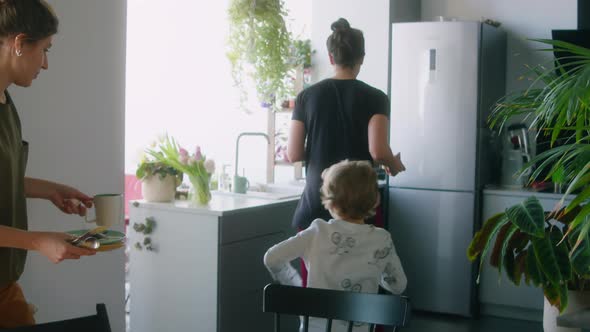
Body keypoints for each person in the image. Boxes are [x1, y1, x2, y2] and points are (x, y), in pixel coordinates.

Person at [0, 0, 96, 328]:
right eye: (45, 50)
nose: (45, 65)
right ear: (18, 44)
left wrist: (52, 190)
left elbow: (5, 178)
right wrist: (39, 241)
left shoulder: (6, 102)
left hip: (4, 286)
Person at [288, 17, 405, 232]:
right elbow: (378, 151)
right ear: (361, 57)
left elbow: (293, 154)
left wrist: (321, 150)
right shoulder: (376, 98)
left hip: (317, 205)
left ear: (331, 58)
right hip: (359, 207)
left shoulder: (306, 96)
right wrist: (394, 164)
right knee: (362, 265)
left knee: (316, 266)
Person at [264, 160, 407, 332]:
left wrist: (297, 286)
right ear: (375, 200)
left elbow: (271, 258)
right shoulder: (381, 239)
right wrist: (377, 269)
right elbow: (398, 286)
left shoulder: (317, 232)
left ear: (330, 203)